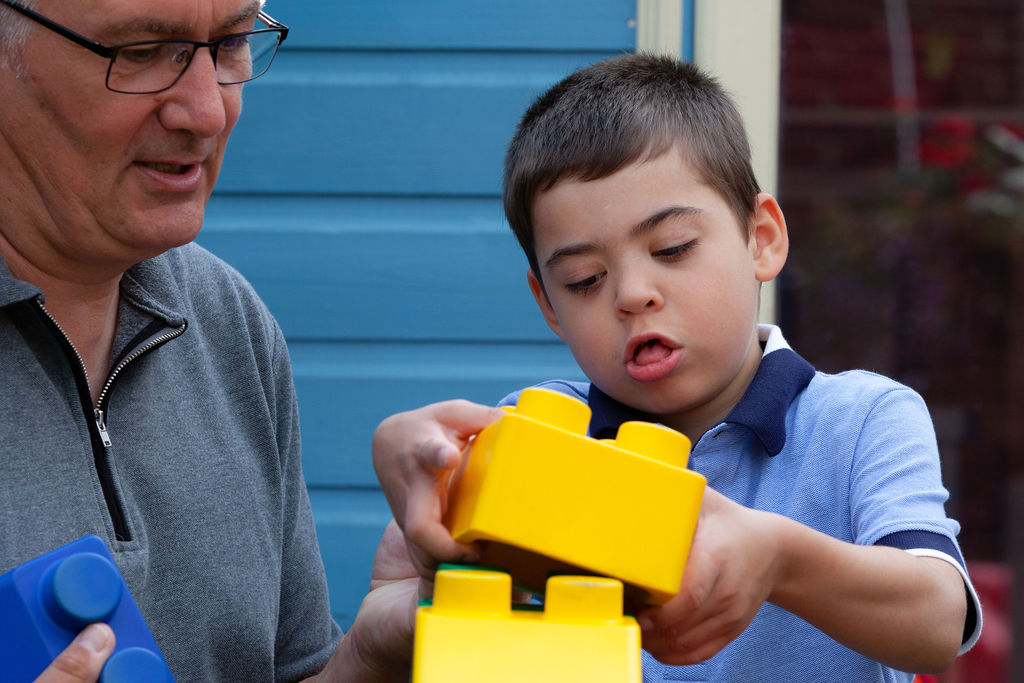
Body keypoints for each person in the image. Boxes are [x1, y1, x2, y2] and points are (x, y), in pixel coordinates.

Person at [374, 54, 983, 681]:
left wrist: (779, 558)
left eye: (673, 249)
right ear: (547, 305)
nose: (632, 294)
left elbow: (938, 621)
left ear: (762, 238)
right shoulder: (542, 436)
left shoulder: (862, 419)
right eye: (585, 281)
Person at [0, 1, 506, 680]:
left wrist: (370, 653)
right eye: (146, 50)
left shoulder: (226, 317)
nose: (208, 112)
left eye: (232, 43)